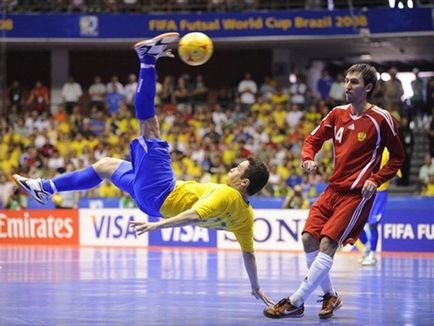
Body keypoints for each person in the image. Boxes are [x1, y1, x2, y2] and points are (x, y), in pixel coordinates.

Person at [13, 32, 273, 307]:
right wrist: (256, 287)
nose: (232, 169)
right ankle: (45, 188)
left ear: (243, 183)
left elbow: (191, 215)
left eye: (238, 169)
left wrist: (157, 226)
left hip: (161, 191)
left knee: (149, 124)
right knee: (105, 166)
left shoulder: (226, 194)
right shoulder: (246, 216)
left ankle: (147, 60)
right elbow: (249, 254)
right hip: (151, 200)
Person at [263, 63, 404, 320]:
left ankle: (295, 301)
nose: (347, 86)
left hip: (357, 194)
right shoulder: (337, 114)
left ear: (368, 88)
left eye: (354, 82)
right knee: (308, 238)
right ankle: (330, 295)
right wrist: (308, 158)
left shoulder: (382, 119)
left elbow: (397, 157)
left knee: (328, 243)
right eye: (347, 80)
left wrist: (377, 177)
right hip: (332, 189)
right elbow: (312, 140)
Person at [358, 148, 401, 266]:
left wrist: (382, 180)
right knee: (356, 223)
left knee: (372, 224)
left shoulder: (389, 151)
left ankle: (372, 255)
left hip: (380, 193)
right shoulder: (367, 146)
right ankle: (367, 247)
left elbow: (396, 173)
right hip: (364, 192)